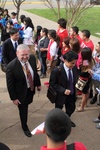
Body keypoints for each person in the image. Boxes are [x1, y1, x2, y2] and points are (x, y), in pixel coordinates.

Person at [6, 44, 41, 137]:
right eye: (22, 55)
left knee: (29, 102)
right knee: (23, 110)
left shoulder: (32, 59)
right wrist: (14, 98)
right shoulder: (11, 67)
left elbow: (35, 73)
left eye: (27, 54)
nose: (25, 57)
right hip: (20, 93)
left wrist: (38, 84)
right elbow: (10, 85)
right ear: (17, 54)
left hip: (31, 89)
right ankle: (24, 126)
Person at [49, 51, 78, 127]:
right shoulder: (57, 70)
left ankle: (66, 119)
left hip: (71, 94)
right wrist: (63, 90)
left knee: (71, 109)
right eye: (72, 63)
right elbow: (52, 84)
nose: (73, 65)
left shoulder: (74, 68)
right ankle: (58, 122)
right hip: (60, 96)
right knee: (58, 111)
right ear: (65, 60)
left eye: (75, 63)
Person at [76, 47, 95, 112]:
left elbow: (82, 71)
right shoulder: (90, 60)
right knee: (86, 92)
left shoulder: (86, 62)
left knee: (84, 94)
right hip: (88, 79)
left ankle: (82, 107)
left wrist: (79, 67)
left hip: (84, 80)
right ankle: (85, 104)